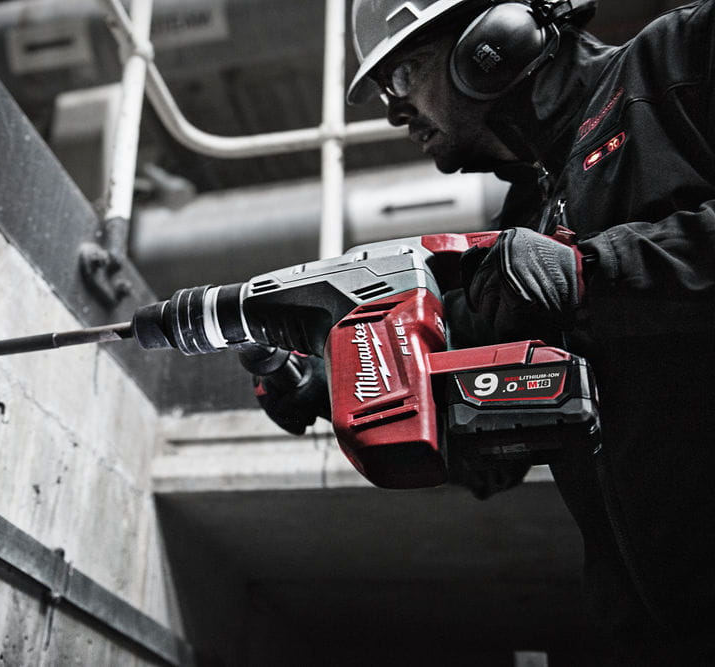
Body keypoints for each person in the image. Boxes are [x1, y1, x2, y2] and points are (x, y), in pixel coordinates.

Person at [253, 0, 715, 662]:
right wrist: (346, 385)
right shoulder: (518, 228)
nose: (394, 111)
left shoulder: (681, 61)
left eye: (404, 74)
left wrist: (592, 273)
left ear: (492, 38)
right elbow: (494, 445)